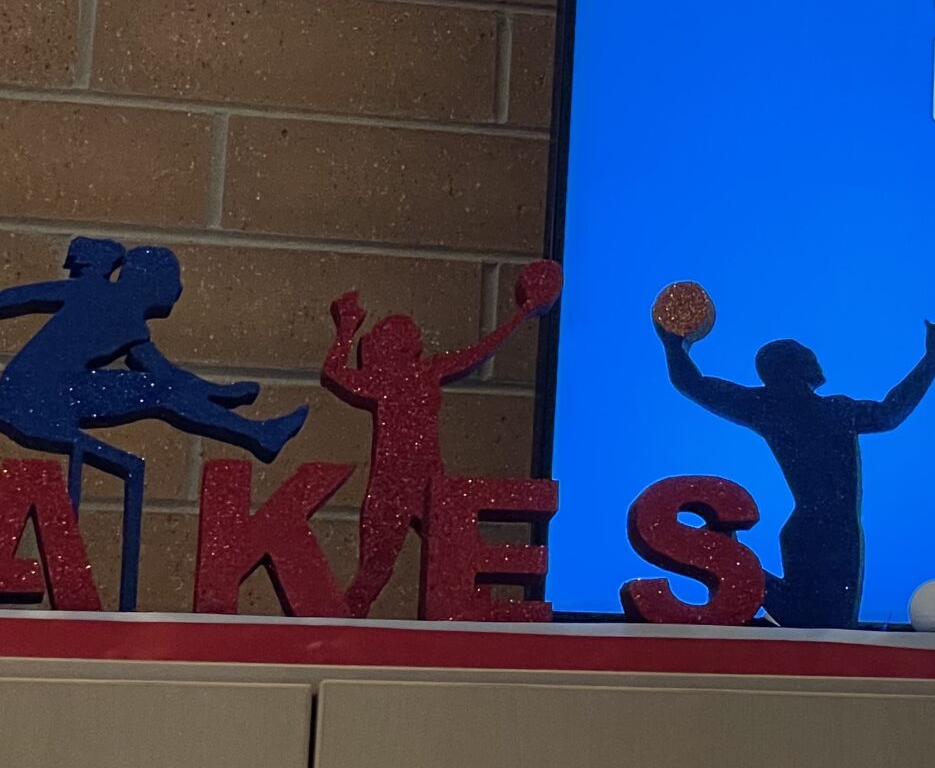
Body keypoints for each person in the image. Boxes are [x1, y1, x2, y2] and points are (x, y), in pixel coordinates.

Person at [0, 240, 307, 610]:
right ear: (149, 281)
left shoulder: (133, 327)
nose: (176, 290)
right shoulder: (93, 290)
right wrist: (223, 393)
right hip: (31, 398)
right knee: (161, 390)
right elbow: (15, 298)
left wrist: (223, 392)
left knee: (162, 389)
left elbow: (168, 379)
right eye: (171, 280)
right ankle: (258, 432)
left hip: (61, 395)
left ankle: (258, 433)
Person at [657, 303, 935, 629]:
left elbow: (694, 384)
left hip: (818, 529)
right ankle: (727, 560)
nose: (814, 360)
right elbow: (889, 413)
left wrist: (674, 345)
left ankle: (728, 560)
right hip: (828, 532)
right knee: (828, 628)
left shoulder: (771, 407)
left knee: (824, 625)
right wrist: (933, 357)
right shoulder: (822, 410)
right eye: (806, 355)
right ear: (791, 369)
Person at [326, 260, 562, 618]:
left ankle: (479, 633)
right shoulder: (384, 381)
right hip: (392, 484)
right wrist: (344, 329)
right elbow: (334, 372)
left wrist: (523, 314)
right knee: (375, 571)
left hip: (432, 484)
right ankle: (340, 633)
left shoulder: (426, 371)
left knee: (465, 561)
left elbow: (480, 351)